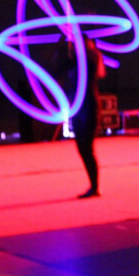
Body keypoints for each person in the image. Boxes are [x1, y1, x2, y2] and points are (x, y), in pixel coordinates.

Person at [58, 32, 106, 198]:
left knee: (87, 147)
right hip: (76, 107)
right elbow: (58, 70)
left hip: (89, 106)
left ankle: (95, 187)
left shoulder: (91, 57)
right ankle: (93, 186)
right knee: (81, 148)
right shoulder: (74, 59)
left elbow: (89, 69)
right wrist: (61, 49)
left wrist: (74, 53)